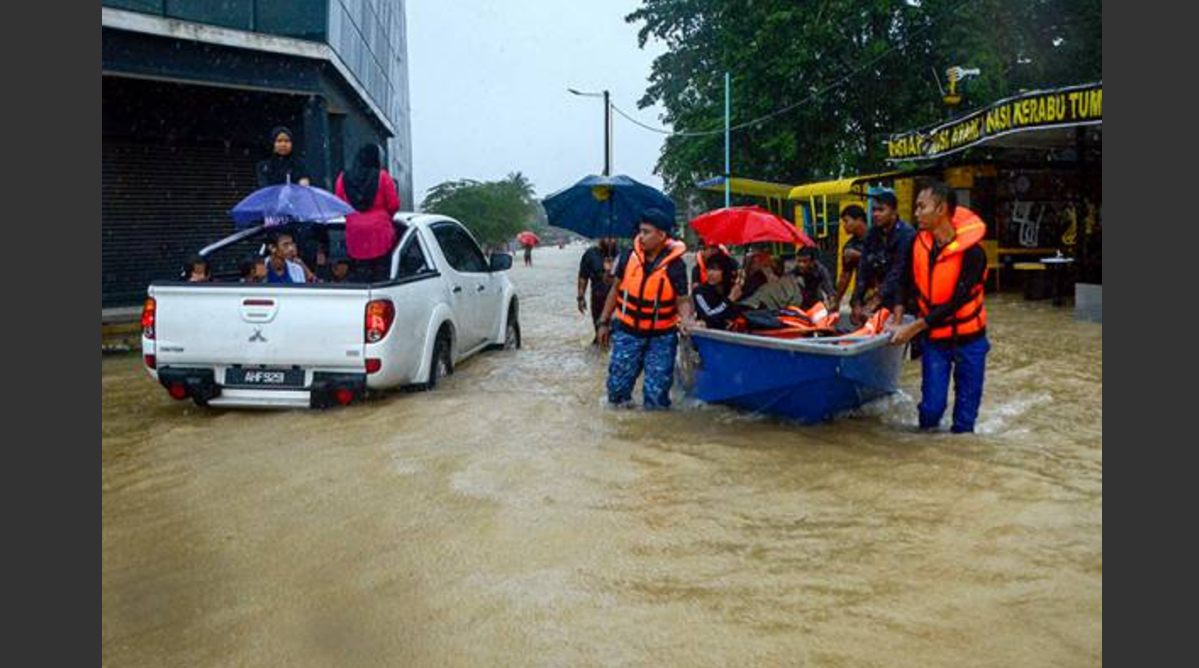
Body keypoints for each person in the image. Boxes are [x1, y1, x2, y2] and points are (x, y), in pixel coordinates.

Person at [891, 181, 990, 434]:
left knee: (964, 424)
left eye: (921, 207)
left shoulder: (974, 254)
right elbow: (902, 279)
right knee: (931, 410)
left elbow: (956, 302)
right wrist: (899, 312)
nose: (916, 213)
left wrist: (914, 328)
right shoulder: (916, 244)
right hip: (935, 340)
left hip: (970, 341)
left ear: (941, 209)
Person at [597, 208, 693, 410]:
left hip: (661, 337)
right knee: (616, 392)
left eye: (646, 232)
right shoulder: (627, 258)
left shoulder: (676, 266)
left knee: (656, 396)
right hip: (627, 332)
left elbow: (683, 300)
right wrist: (603, 322)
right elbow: (615, 290)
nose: (641, 236)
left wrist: (686, 319)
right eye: (640, 231)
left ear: (662, 235)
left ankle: (652, 435)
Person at [335, 144, 401, 282]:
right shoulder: (383, 177)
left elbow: (339, 205)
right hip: (380, 233)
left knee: (361, 275)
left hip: (355, 234)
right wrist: (384, 216)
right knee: (380, 276)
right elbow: (394, 204)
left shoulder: (343, 177)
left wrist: (353, 217)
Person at [851, 190, 915, 326]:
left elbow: (899, 272)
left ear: (894, 212)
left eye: (881, 210)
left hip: (905, 299)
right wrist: (856, 302)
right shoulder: (872, 234)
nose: (875, 214)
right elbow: (863, 269)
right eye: (874, 210)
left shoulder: (907, 234)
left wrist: (874, 301)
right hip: (882, 295)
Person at [577, 237, 618, 344]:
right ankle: (597, 356)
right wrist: (581, 297)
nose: (611, 240)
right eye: (608, 238)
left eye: (614, 238)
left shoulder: (621, 254)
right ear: (601, 237)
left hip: (619, 301)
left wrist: (612, 271)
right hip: (598, 299)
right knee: (600, 332)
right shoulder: (590, 254)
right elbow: (583, 277)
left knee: (615, 335)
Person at [835, 205, 869, 311]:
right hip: (861, 296)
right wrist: (836, 300)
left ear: (859, 220)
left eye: (846, 221)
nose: (844, 226)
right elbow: (845, 275)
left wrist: (859, 256)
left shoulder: (879, 237)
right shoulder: (850, 246)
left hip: (884, 293)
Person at [692, 261, 743, 330]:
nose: (710, 273)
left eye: (716, 270)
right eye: (709, 269)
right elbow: (708, 317)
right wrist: (729, 299)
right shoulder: (699, 292)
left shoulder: (732, 288)